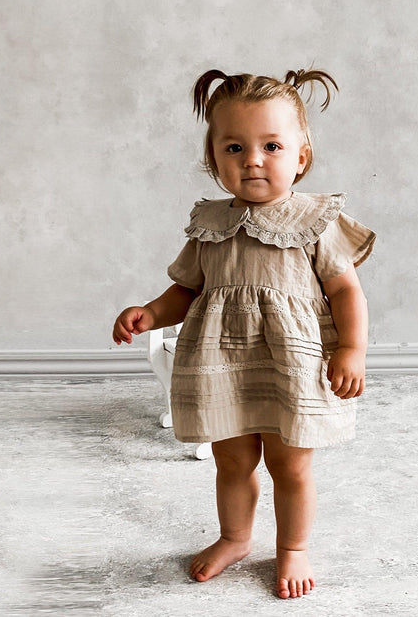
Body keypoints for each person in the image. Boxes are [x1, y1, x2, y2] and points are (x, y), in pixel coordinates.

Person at [112, 69, 375, 599]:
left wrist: (351, 348)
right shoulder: (210, 224)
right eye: (235, 147)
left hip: (291, 368)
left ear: (300, 157)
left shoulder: (315, 221)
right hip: (224, 367)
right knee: (231, 460)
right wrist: (151, 312)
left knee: (289, 463)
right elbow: (186, 290)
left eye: (271, 146)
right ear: (214, 160)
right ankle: (234, 537)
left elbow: (346, 292)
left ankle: (293, 547)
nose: (253, 159)